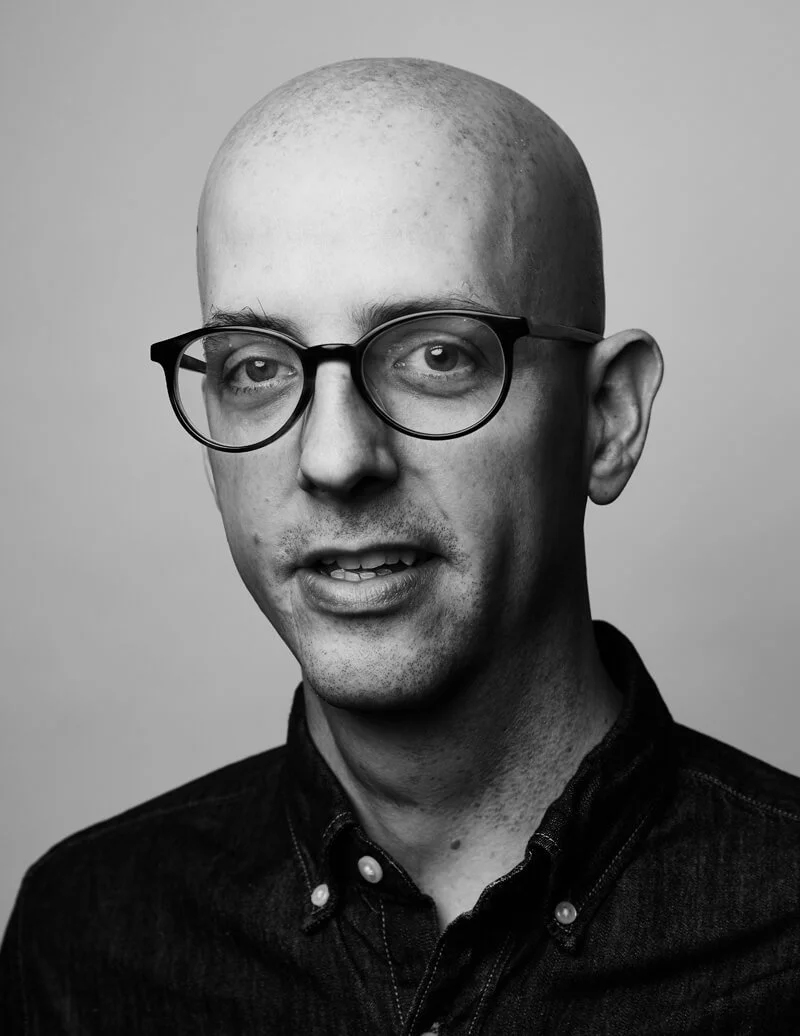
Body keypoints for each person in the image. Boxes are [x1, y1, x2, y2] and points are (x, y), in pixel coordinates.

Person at [2, 56, 799, 1035]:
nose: (335, 457)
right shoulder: (85, 942)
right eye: (256, 368)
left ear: (606, 418)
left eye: (436, 355)